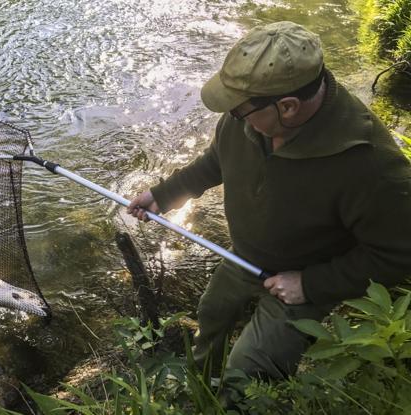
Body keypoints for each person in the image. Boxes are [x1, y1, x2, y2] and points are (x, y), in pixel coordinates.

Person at [127, 21, 411, 380]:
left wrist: (310, 284)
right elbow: (218, 160)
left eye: (238, 109)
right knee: (211, 313)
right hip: (246, 255)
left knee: (249, 372)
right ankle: (203, 384)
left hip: (309, 275)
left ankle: (235, 398)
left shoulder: (372, 167)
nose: (232, 116)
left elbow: (397, 253)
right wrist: (164, 194)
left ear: (288, 107)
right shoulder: (250, 116)